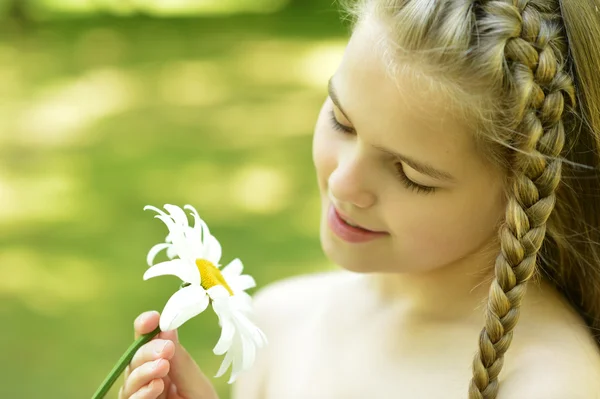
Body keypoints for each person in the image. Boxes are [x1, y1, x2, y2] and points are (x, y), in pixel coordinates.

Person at [117, 0, 600, 398]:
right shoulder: (279, 322)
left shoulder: (554, 383)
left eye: (410, 174)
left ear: (527, 193)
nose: (345, 183)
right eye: (341, 122)